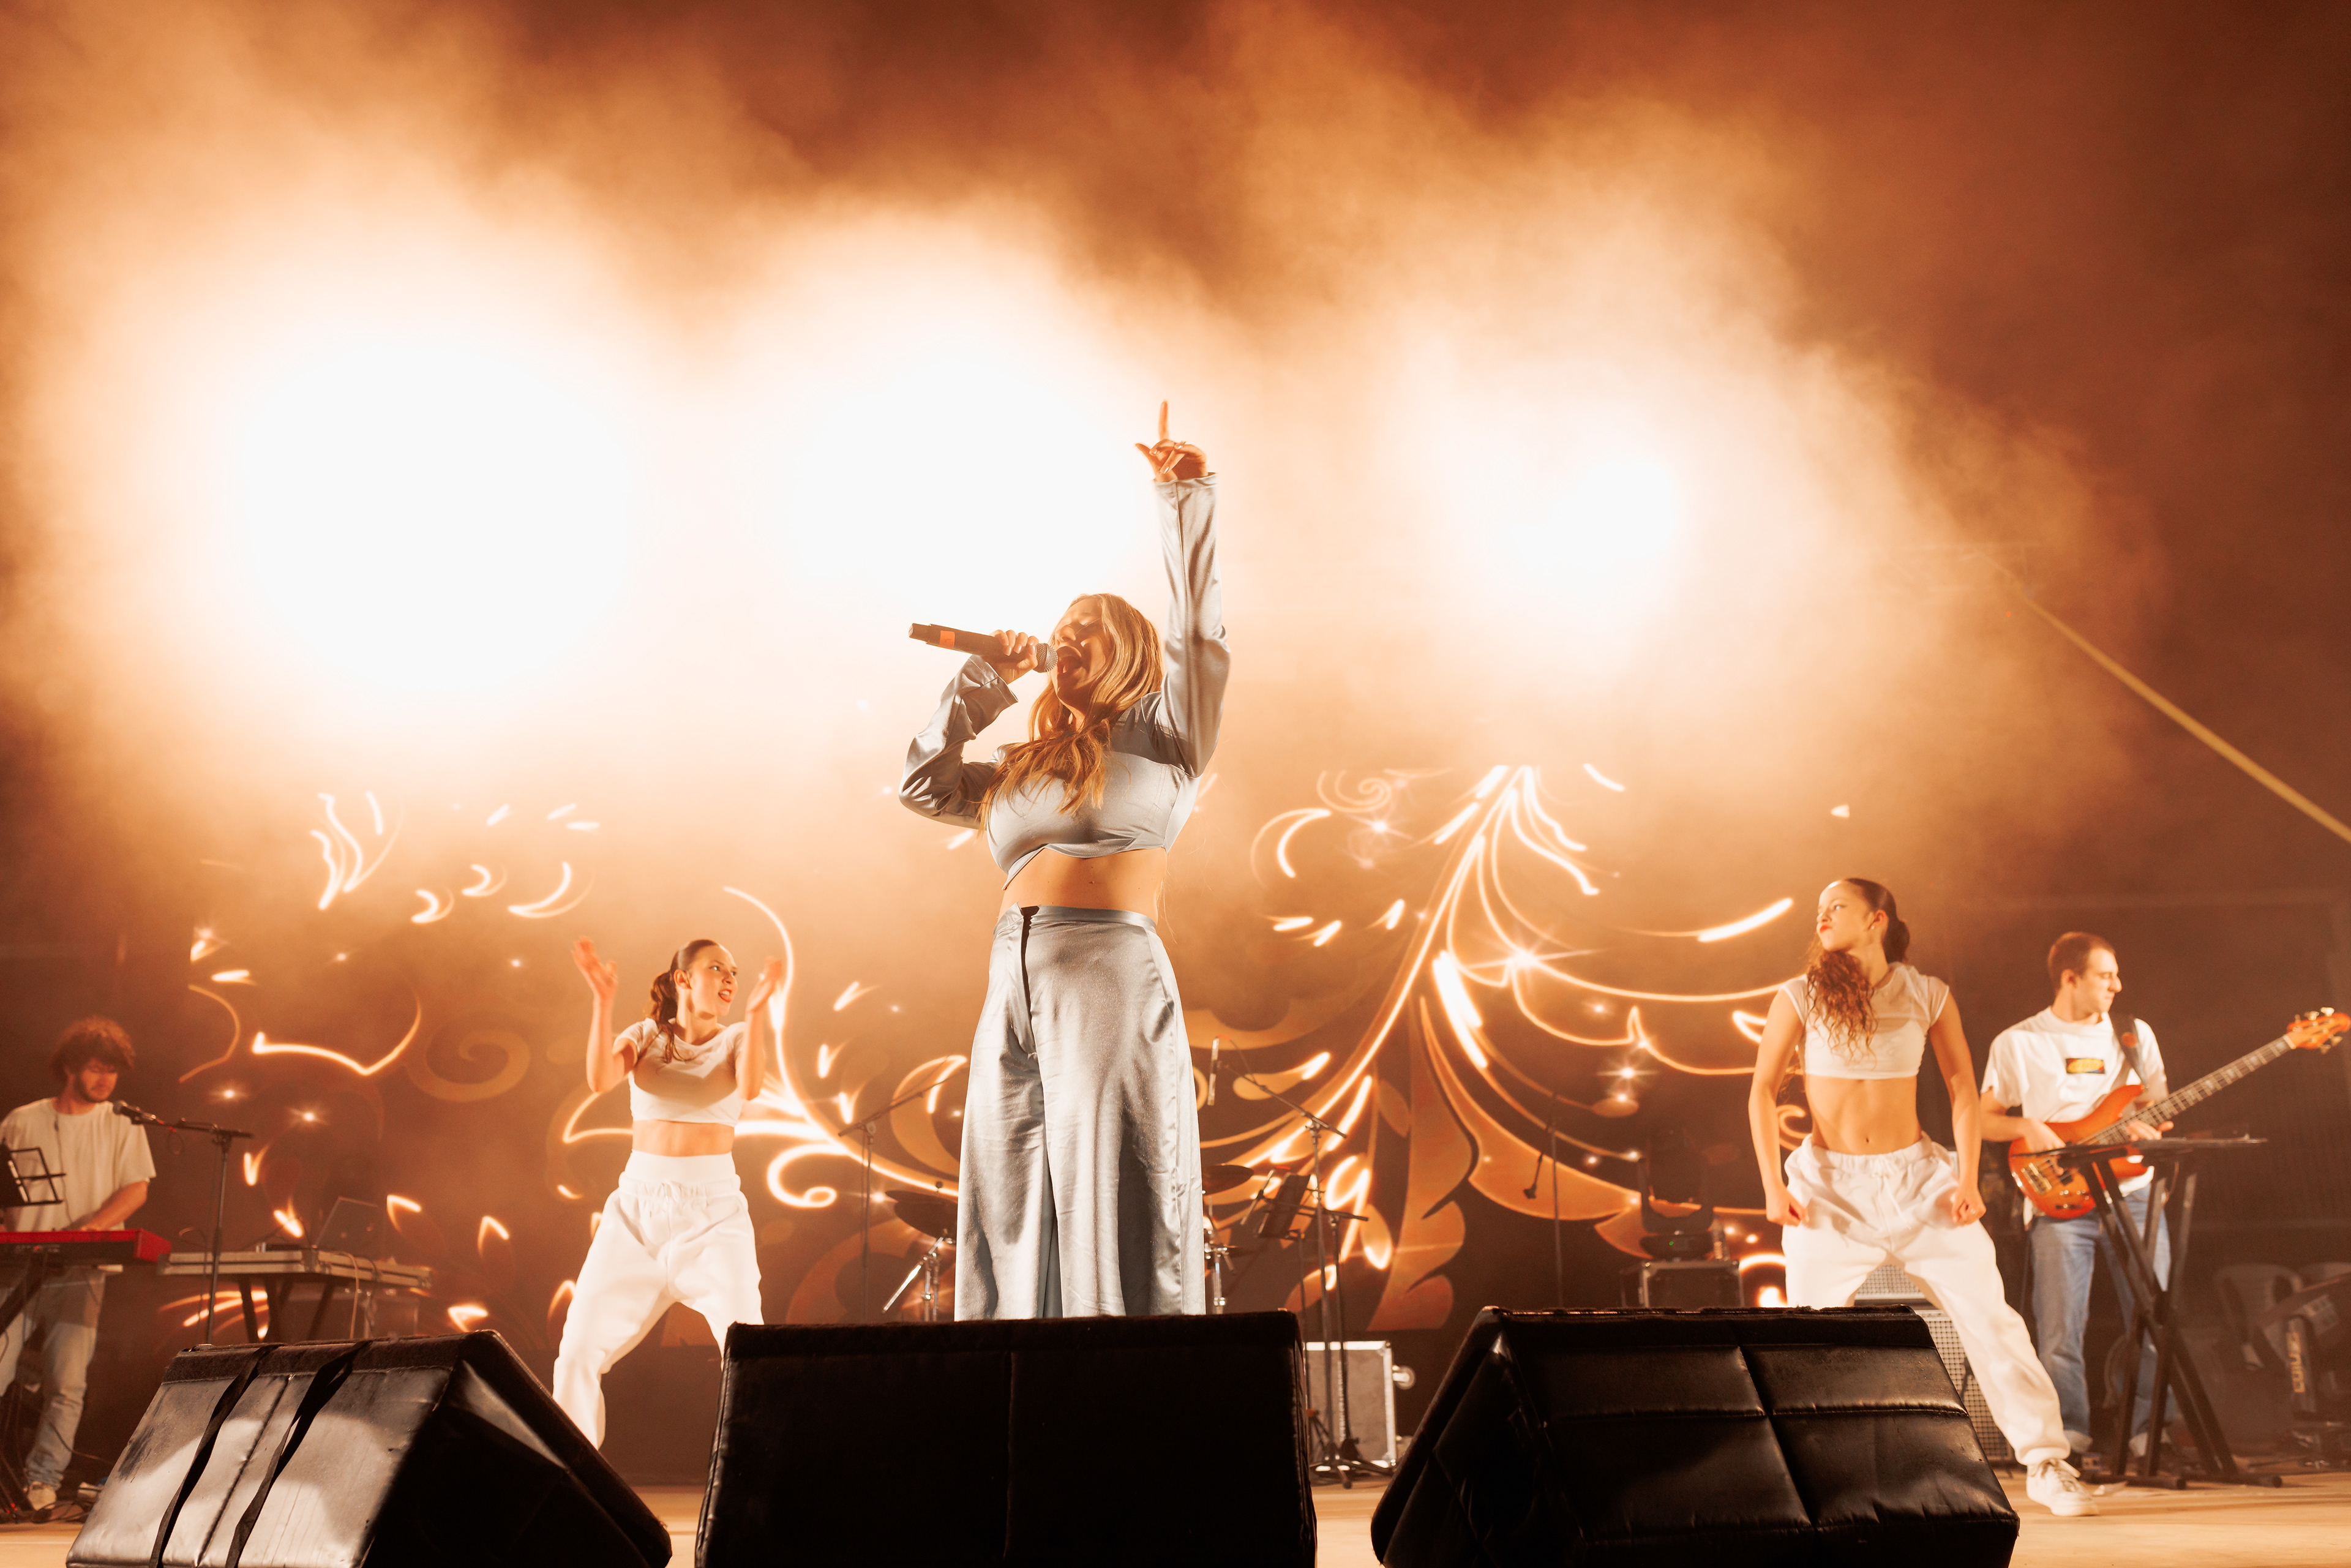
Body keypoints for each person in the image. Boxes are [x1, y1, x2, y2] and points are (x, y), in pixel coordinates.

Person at [901, 402, 1226, 1319]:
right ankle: (1015, 1365)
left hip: (1104, 965)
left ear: (1129, 650)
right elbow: (923, 786)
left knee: (1108, 1178)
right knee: (1009, 1186)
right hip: (1012, 972)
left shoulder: (1168, 739)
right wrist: (982, 682)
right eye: (1062, 626)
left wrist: (1184, 499)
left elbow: (1200, 635)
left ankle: (1128, 1359)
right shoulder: (1024, 765)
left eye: (1088, 626)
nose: (1067, 637)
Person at [1747, 879, 2096, 1517]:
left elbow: (1964, 1089)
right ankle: (1808, 1480)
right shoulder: (1800, 993)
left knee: (1992, 1319)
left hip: (1920, 1183)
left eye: (1837, 906)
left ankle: (2048, 1462)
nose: (1823, 916)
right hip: (1829, 1189)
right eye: (1820, 909)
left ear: (1876, 919)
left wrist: (1967, 1179)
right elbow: (1761, 1090)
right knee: (1804, 1335)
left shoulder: (1929, 992)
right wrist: (1773, 1185)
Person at [552, 937, 781, 1444]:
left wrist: (757, 1012)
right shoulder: (646, 1034)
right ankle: (571, 1480)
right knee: (577, 1352)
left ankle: (762, 1475)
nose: (729, 979)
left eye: (735, 972)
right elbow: (599, 1079)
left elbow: (750, 1088)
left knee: (752, 1351)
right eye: (716, 968)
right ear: (683, 978)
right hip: (638, 1213)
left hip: (714, 1217)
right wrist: (602, 1000)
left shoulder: (737, 1036)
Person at [1979, 931, 2172, 1460]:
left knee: (2153, 1316)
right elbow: (1983, 1118)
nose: (2117, 985)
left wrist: (2150, 1128)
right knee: (2061, 1327)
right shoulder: (2019, 1041)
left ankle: (2151, 1433)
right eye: (2105, 975)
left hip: (2133, 1191)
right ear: (2070, 978)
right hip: (2058, 1197)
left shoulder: (2134, 1034)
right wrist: (2027, 1125)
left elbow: (2157, 1106)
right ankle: (2068, 1437)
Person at [0, 1018, 155, 1514]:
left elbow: (137, 1188)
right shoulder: (20, 1120)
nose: (106, 1079)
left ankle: (42, 1480)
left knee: (67, 1383)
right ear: (69, 1067)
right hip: (18, 1268)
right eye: (95, 1067)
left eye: (113, 1070)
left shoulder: (123, 1122)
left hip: (82, 1270)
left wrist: (93, 1228)